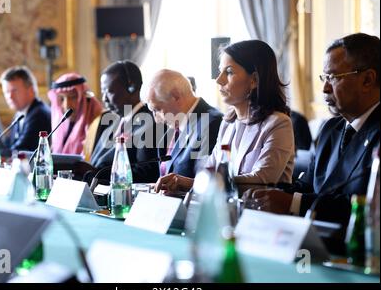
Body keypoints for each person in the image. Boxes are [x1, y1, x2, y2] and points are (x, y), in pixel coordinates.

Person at [245, 33, 380, 229]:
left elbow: (368, 206)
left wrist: (292, 203)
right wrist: (266, 192)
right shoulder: (330, 129)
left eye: (333, 77)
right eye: (324, 78)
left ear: (367, 80)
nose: (325, 88)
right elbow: (307, 185)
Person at [155, 40, 294, 192]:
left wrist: (192, 183)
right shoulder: (228, 124)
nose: (218, 80)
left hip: (260, 213)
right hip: (227, 211)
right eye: (220, 71)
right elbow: (210, 171)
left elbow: (262, 180)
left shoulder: (278, 123)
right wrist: (179, 180)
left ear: (254, 80)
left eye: (228, 72)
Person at [89, 60, 163, 183]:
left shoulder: (150, 123)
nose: (104, 98)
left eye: (110, 91)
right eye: (103, 92)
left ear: (132, 88)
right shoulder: (109, 122)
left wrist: (95, 173)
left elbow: (145, 173)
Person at [141, 69, 222, 180]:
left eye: (158, 109)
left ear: (176, 97)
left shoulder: (212, 123)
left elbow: (208, 183)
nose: (157, 120)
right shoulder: (171, 132)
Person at [0, 66, 51, 156]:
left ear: (31, 90)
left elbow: (22, 149)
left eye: (14, 91)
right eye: (7, 92)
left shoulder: (39, 114)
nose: (10, 97)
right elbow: (8, 146)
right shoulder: (19, 113)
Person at [48, 73, 103, 155]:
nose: (66, 105)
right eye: (62, 98)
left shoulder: (98, 121)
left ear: (84, 98)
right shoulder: (61, 123)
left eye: (72, 97)